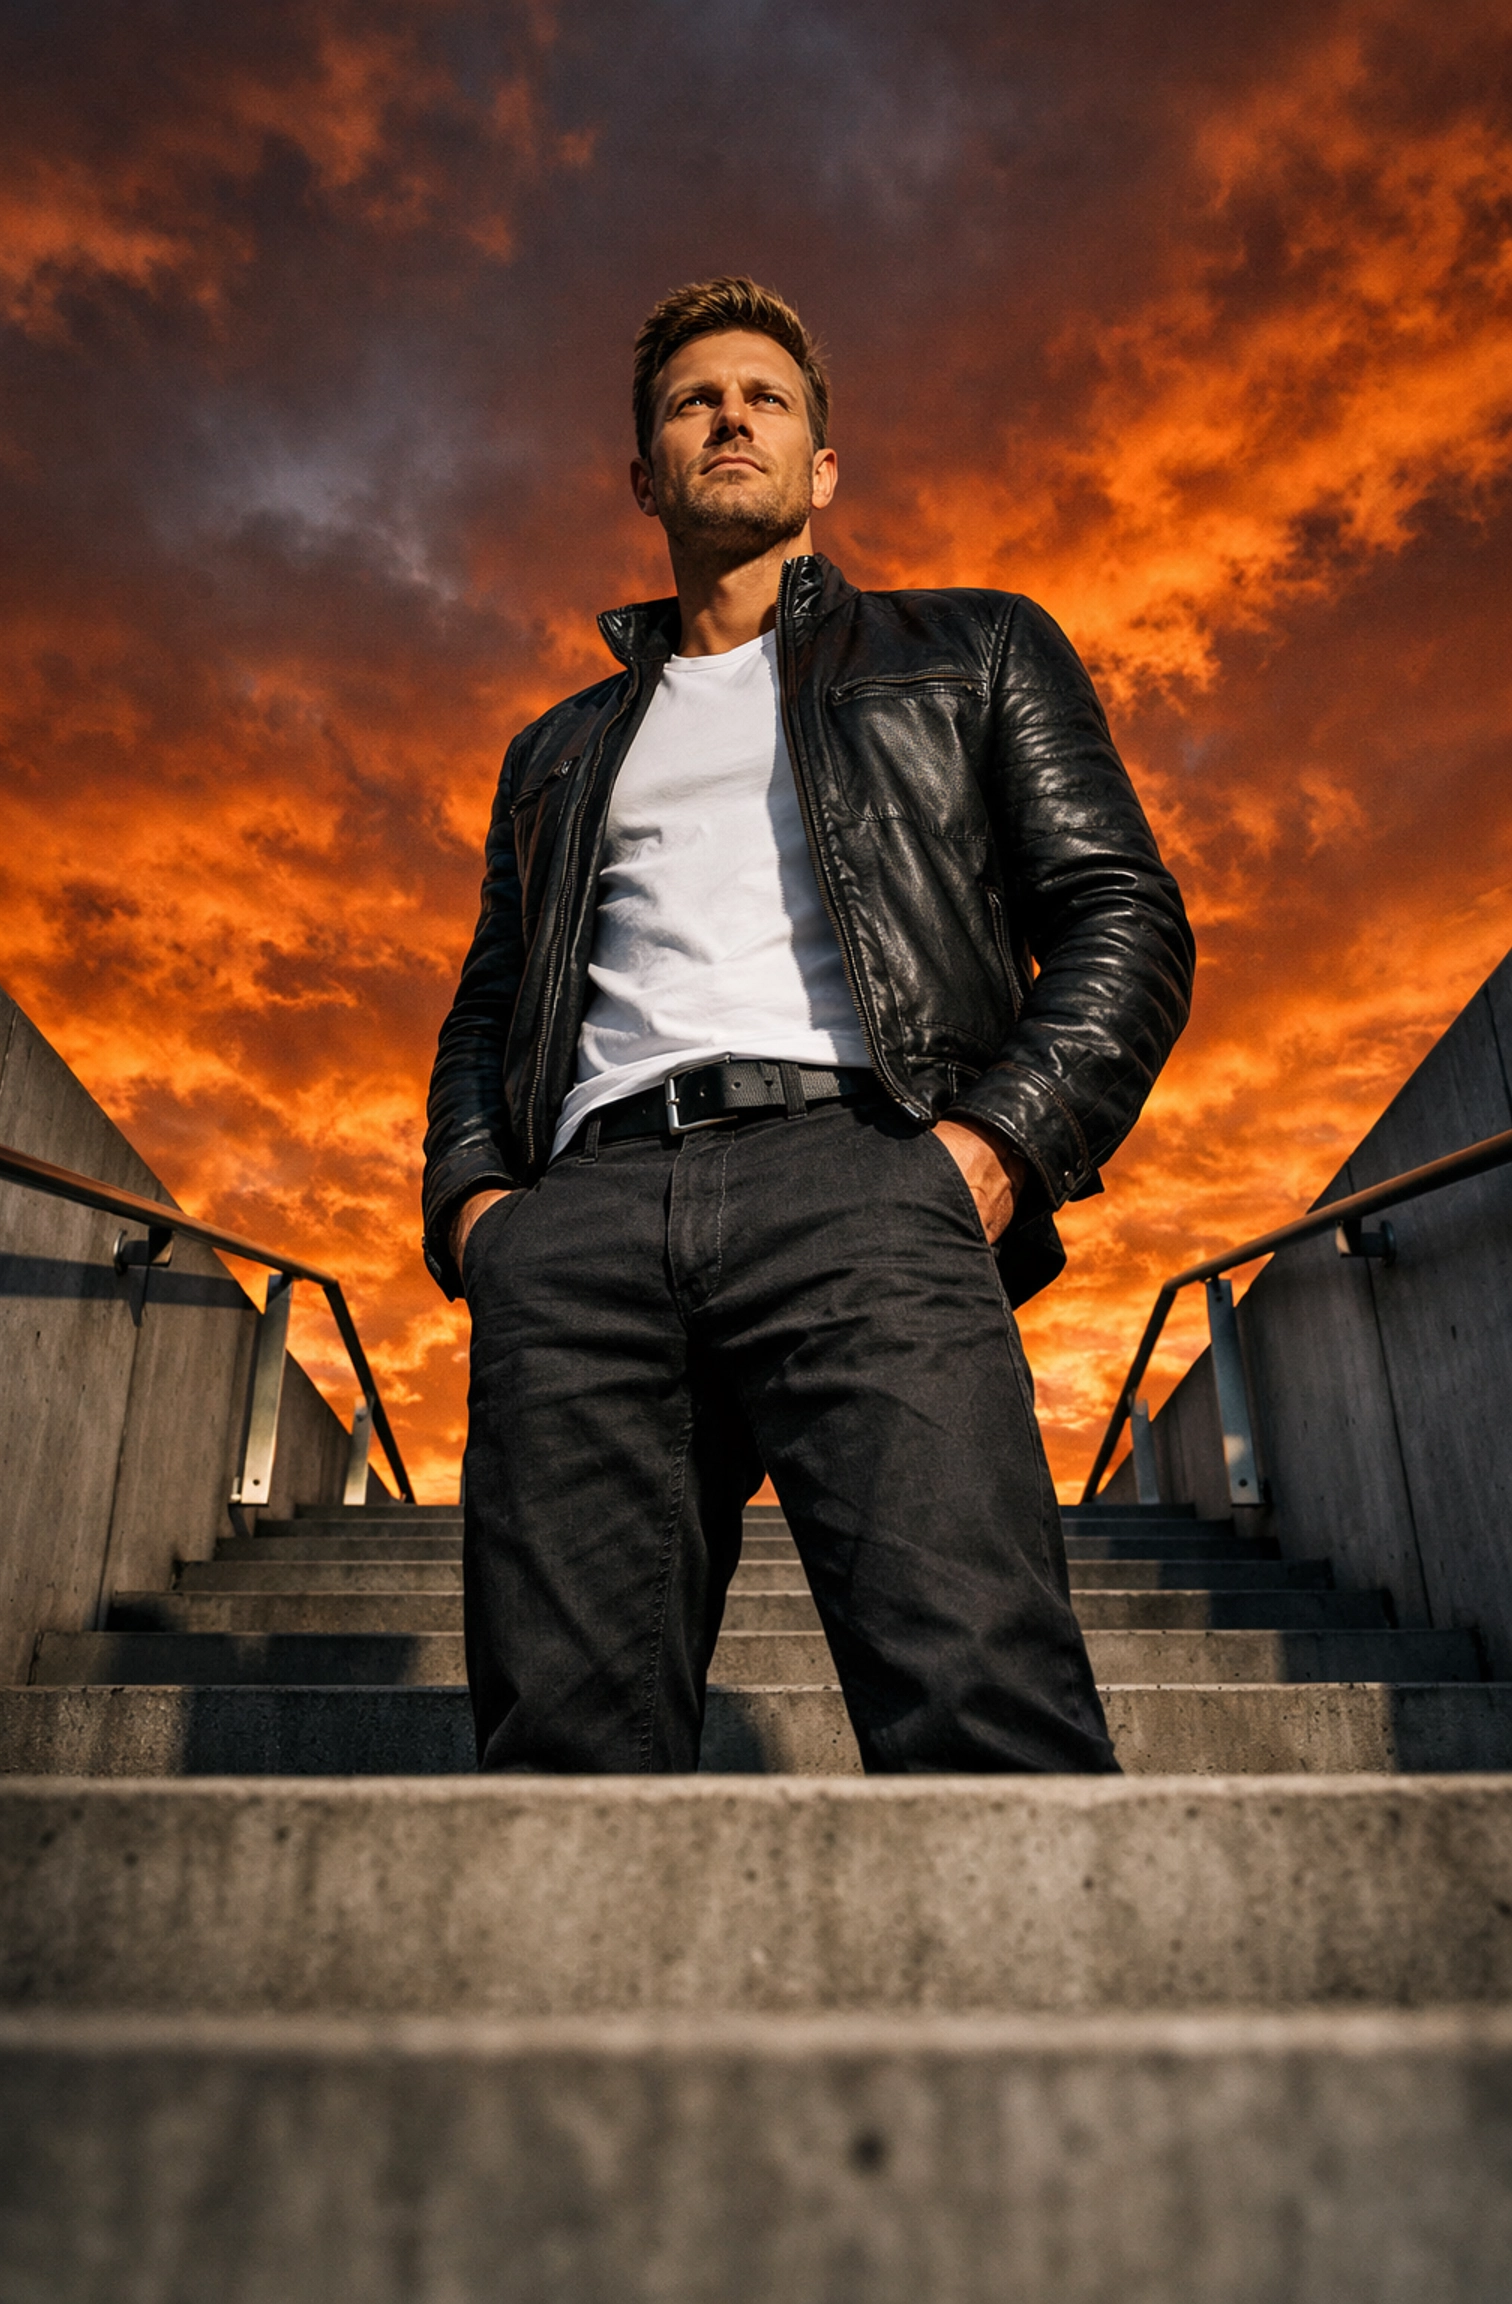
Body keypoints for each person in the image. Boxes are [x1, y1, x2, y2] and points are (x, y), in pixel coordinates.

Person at [423, 275, 1193, 1774]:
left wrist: (991, 1150)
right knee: (561, 1759)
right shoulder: (558, 750)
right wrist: (477, 1215)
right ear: (643, 472)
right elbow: (492, 1003)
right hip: (580, 1226)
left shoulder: (972, 648)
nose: (729, 416)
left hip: (868, 1173)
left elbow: (1122, 917)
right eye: (693, 400)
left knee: (986, 1710)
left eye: (765, 398)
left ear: (821, 469)